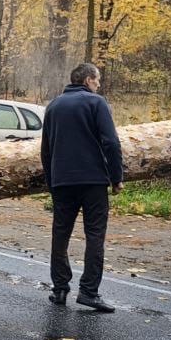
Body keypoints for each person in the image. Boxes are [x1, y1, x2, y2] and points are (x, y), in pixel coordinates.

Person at [41, 61, 123, 312]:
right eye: (97, 80)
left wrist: (51, 181)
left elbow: (46, 149)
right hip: (93, 180)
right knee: (95, 235)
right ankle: (89, 292)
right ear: (88, 80)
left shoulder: (53, 106)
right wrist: (116, 176)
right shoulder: (96, 103)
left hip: (63, 180)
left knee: (60, 235)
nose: (99, 84)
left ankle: (60, 288)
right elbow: (111, 142)